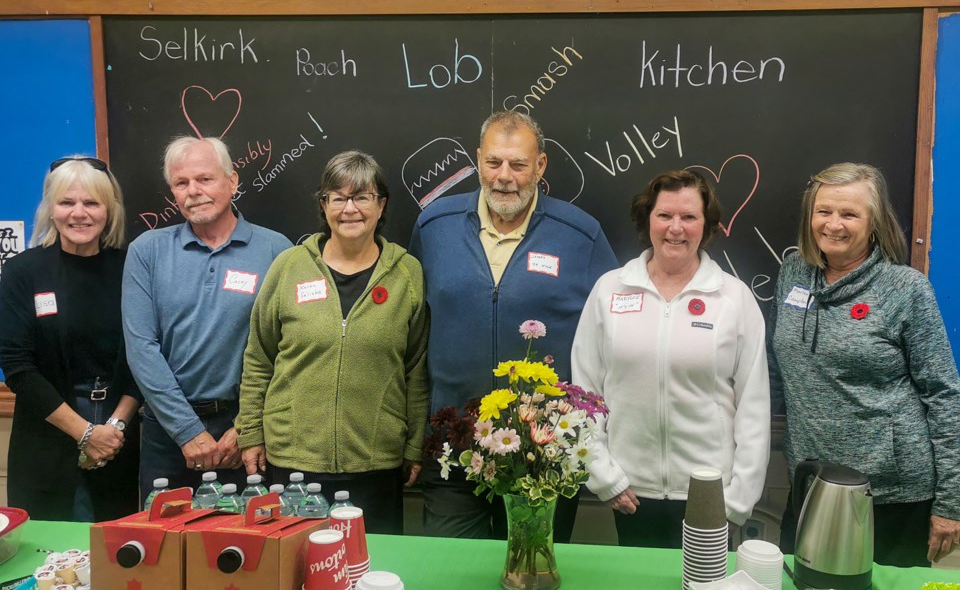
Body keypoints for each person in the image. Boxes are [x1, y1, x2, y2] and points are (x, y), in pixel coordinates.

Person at [409, 111, 619, 541]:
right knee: (453, 575)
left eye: (519, 165)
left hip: (542, 451)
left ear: (540, 167)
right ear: (478, 160)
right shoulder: (435, 227)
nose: (504, 177)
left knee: (530, 573)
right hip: (453, 444)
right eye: (494, 163)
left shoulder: (581, 236)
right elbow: (412, 329)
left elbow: (612, 335)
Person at [769, 162, 960, 567]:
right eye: (824, 211)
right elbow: (775, 370)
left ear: (873, 222)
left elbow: (945, 396)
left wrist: (952, 502)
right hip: (811, 481)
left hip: (891, 494)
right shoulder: (792, 275)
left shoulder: (905, 289)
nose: (833, 224)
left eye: (849, 214)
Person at [571, 169, 770, 549]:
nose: (675, 228)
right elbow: (585, 393)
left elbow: (754, 406)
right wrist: (602, 475)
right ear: (648, 219)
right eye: (664, 215)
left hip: (710, 495)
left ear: (706, 225)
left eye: (689, 217)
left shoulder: (733, 298)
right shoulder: (609, 291)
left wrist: (738, 500)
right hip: (628, 492)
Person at [235, 151, 428, 535]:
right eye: (337, 197)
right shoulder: (288, 266)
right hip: (293, 462)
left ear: (381, 204)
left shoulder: (407, 273)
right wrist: (251, 434)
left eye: (362, 197)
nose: (349, 209)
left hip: (376, 461)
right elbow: (259, 358)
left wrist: (414, 445)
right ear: (323, 206)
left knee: (372, 568)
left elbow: (416, 368)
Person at [122, 136, 291, 502]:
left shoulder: (277, 250)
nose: (193, 191)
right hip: (167, 432)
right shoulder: (146, 252)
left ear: (232, 182)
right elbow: (141, 348)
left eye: (205, 179)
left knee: (248, 550)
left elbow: (288, 350)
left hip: (247, 433)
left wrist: (245, 427)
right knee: (166, 550)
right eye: (181, 183)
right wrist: (187, 432)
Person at [0, 157, 141, 521]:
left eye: (91, 203)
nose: (79, 214)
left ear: (109, 210)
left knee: (117, 551)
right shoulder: (22, 272)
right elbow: (18, 368)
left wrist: (114, 428)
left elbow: (146, 352)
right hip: (48, 434)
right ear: (50, 209)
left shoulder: (132, 268)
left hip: (119, 434)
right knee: (49, 557)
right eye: (66, 203)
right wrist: (85, 433)